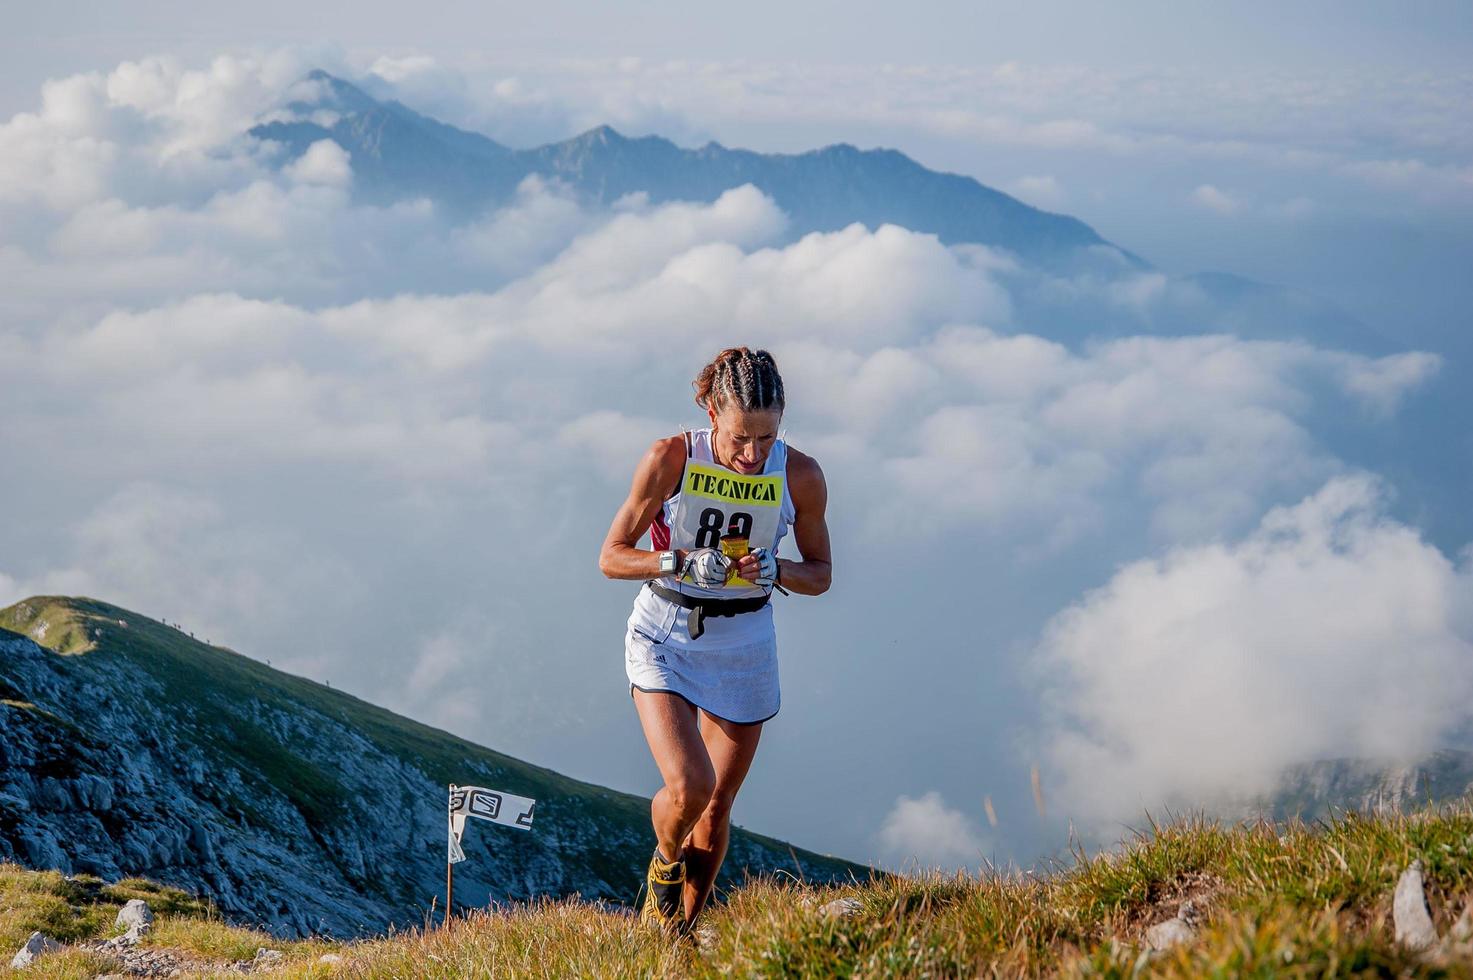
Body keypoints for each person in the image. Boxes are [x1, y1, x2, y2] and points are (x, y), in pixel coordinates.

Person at [598, 346, 832, 936]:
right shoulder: (670, 457)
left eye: (766, 437)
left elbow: (821, 573)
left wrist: (776, 570)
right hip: (666, 632)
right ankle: (664, 861)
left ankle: (675, 939)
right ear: (709, 412)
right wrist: (676, 559)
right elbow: (611, 557)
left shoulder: (800, 474)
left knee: (718, 806)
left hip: (744, 640)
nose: (752, 456)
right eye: (739, 438)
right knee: (690, 787)